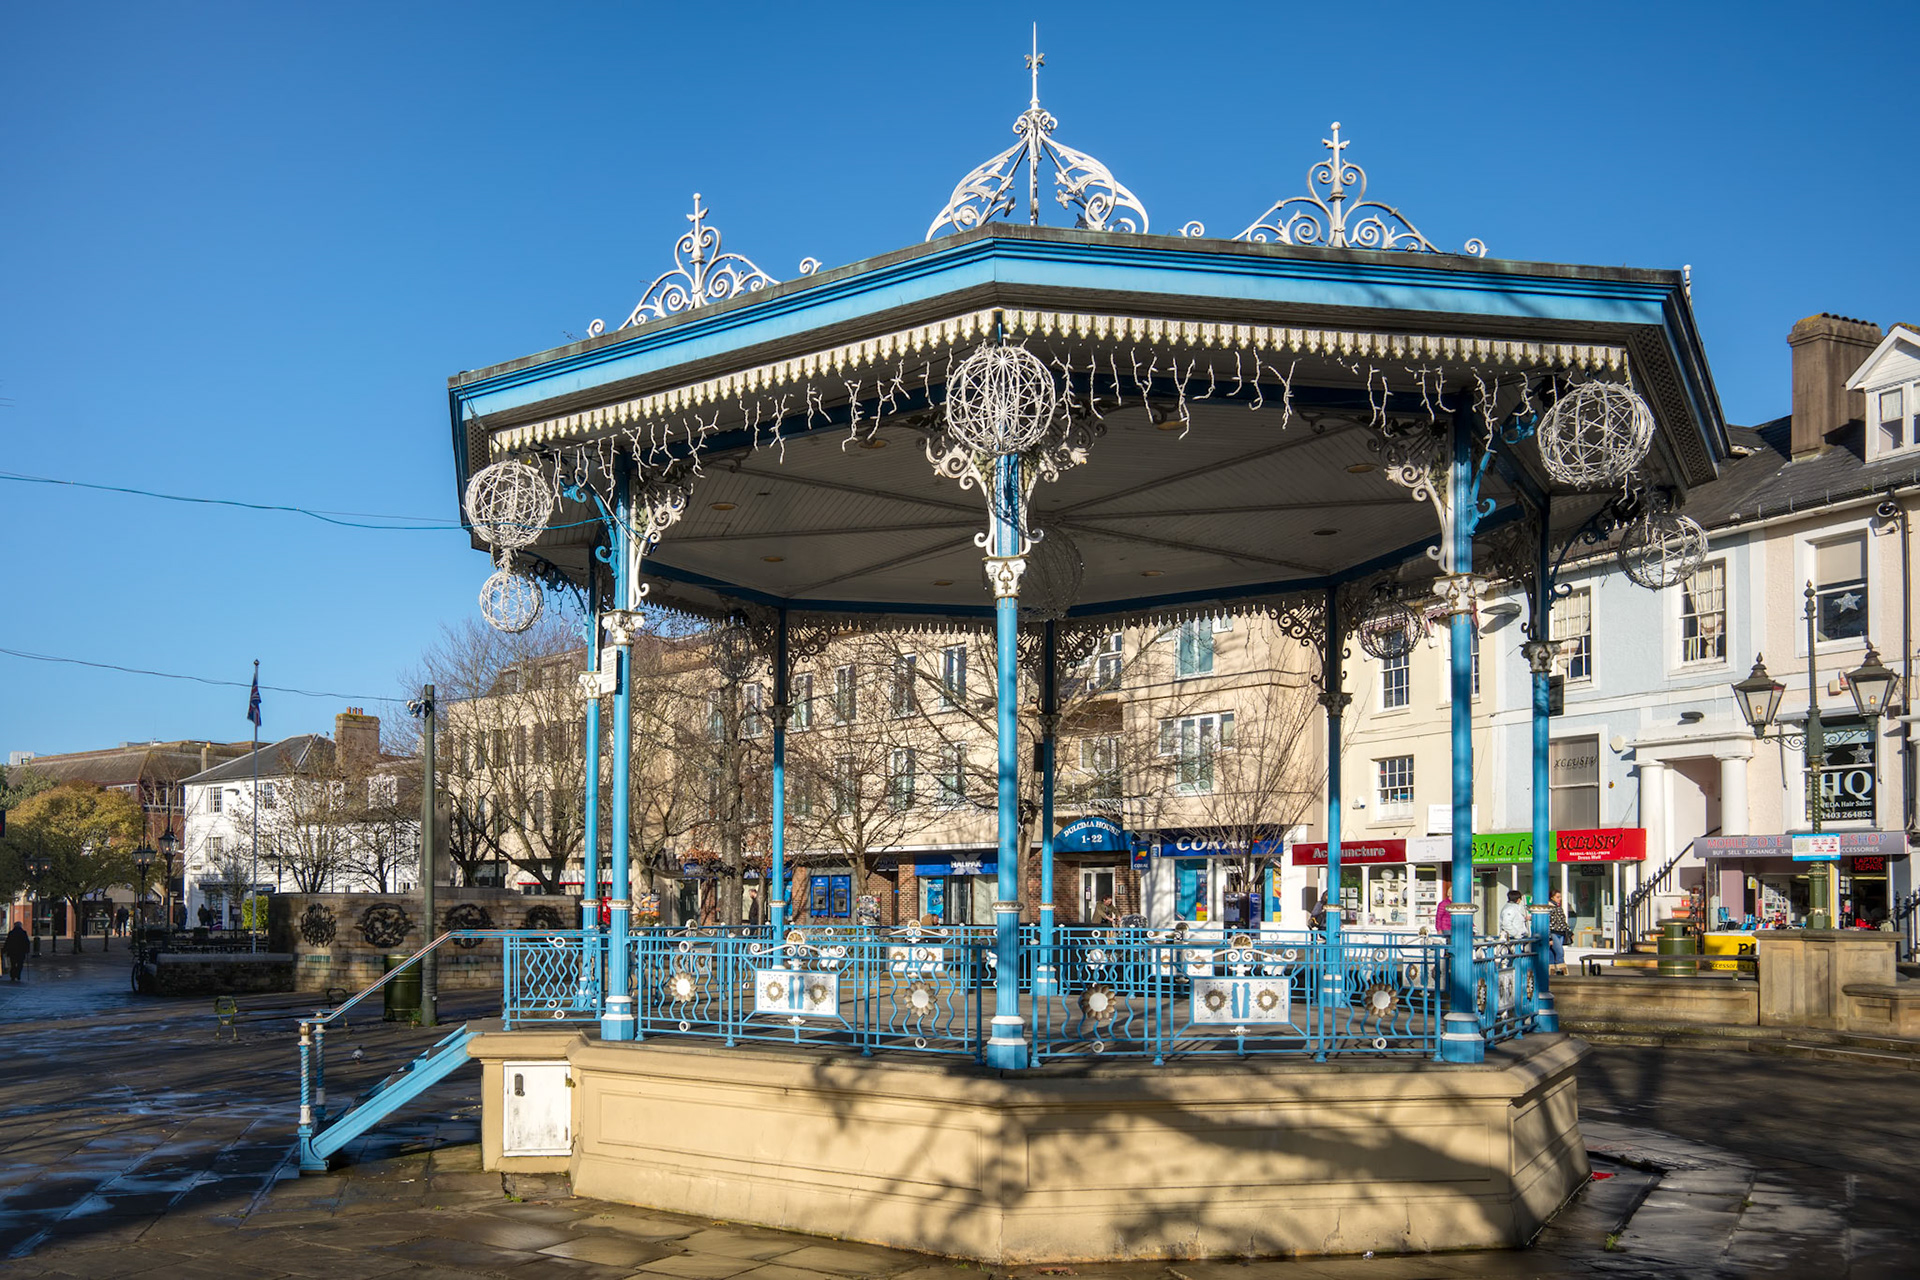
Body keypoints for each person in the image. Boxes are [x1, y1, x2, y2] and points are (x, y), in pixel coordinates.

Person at [1547, 889, 1572, 976]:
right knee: (1559, 952)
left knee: (1552, 951)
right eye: (1557, 897)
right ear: (1552, 897)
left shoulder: (1558, 907)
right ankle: (1562, 969)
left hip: (1561, 932)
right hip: (1553, 932)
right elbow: (1547, 923)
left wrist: (1569, 931)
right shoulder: (1549, 907)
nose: (1559, 899)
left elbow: (1562, 920)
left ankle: (1552, 970)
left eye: (1560, 897)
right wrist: (1549, 937)